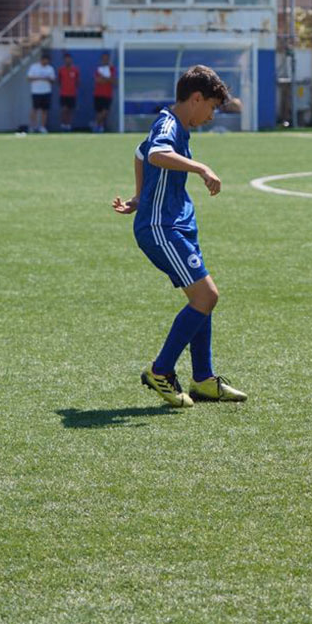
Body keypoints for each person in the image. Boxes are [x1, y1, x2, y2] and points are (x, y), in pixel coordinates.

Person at [112, 66, 246, 409]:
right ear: (196, 98)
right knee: (206, 296)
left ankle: (202, 378)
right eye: (212, 107)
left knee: (203, 296)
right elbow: (156, 154)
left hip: (178, 222)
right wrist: (201, 167)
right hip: (160, 228)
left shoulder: (177, 125)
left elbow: (141, 154)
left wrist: (140, 196)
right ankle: (161, 370)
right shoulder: (169, 124)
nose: (212, 115)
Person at [27, 51, 56, 134]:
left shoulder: (50, 68)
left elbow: (53, 80)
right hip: (36, 91)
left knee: (45, 110)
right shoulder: (34, 67)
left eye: (48, 60)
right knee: (34, 109)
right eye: (45, 60)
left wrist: (47, 79)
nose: (46, 62)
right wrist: (40, 77)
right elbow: (29, 78)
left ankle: (42, 127)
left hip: (46, 91)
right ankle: (33, 126)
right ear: (42, 60)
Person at [92, 53, 116, 134]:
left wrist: (104, 78)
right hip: (98, 94)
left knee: (105, 112)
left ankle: (96, 125)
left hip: (108, 94)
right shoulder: (99, 69)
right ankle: (99, 127)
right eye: (104, 58)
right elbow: (98, 81)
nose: (105, 60)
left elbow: (113, 81)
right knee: (99, 112)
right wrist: (107, 79)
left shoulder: (111, 69)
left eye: (106, 58)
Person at [57, 53, 81, 132]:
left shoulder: (75, 70)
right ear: (64, 60)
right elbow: (59, 81)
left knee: (70, 110)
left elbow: (78, 81)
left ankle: (68, 125)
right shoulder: (61, 70)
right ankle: (63, 124)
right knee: (64, 109)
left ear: (71, 60)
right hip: (63, 93)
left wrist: (74, 87)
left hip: (72, 93)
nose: (67, 60)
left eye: (69, 59)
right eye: (66, 59)